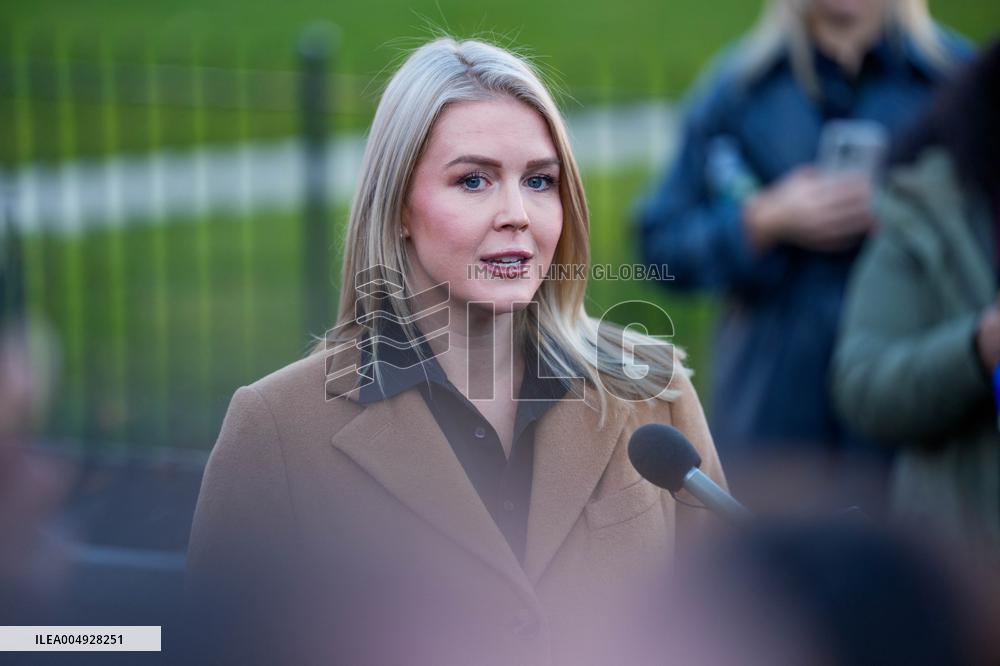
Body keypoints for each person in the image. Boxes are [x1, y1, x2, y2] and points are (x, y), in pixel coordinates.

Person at [187, 38, 725, 666]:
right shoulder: (275, 429)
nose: (517, 214)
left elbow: (734, 627)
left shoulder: (649, 390)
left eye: (539, 181)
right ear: (398, 211)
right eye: (473, 180)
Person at [634, 0, 967, 488]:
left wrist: (913, 219)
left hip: (919, 410)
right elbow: (660, 244)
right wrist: (760, 222)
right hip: (773, 417)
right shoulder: (738, 89)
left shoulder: (953, 82)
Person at [831, 42, 1000, 558]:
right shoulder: (932, 205)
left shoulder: (939, 55)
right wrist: (979, 345)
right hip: (969, 564)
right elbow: (861, 383)